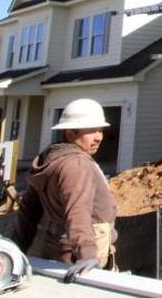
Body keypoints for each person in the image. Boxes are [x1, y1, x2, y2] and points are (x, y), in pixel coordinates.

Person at [8, 98, 118, 282]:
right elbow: (78, 209)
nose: (99, 137)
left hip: (57, 248)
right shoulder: (75, 164)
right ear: (70, 132)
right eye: (91, 130)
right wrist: (87, 255)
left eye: (100, 130)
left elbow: (29, 210)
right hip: (78, 257)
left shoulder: (52, 158)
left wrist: (14, 245)